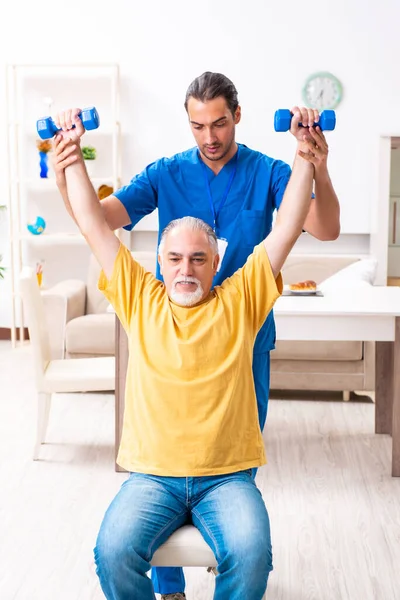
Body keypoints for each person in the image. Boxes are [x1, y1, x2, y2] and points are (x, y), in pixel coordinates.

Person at [53, 72, 340, 599]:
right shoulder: (146, 294)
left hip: (241, 338)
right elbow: (96, 223)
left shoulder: (242, 291)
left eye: (219, 123)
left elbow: (298, 225)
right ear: (160, 261)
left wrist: (308, 157)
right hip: (158, 456)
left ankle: (223, 538)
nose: (209, 135)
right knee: (117, 548)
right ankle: (171, 589)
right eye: (197, 125)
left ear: (219, 262)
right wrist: (68, 161)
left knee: (242, 516)